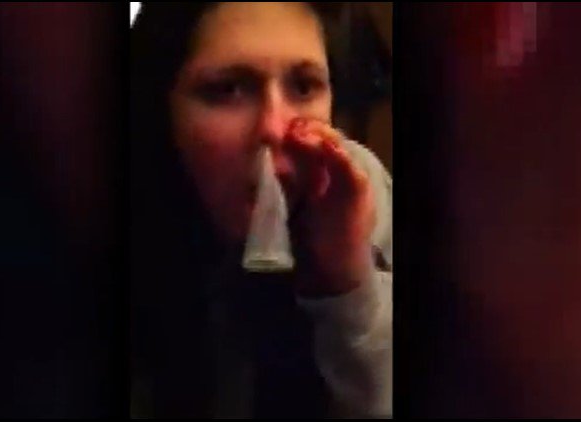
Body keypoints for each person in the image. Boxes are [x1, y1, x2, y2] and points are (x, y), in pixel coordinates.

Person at [130, 2, 392, 418]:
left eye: (304, 87)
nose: (274, 128)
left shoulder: (356, 190)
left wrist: (347, 283)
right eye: (228, 89)